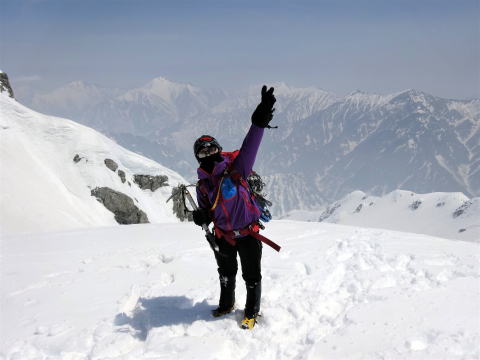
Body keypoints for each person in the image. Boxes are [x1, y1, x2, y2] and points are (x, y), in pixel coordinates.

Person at [191, 85, 276, 330]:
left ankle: (252, 312)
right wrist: (201, 216)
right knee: (226, 274)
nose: (209, 152)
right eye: (203, 150)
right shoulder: (203, 185)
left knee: (251, 276)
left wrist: (258, 122)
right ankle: (226, 305)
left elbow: (250, 146)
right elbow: (206, 211)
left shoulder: (237, 168)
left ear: (219, 149)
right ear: (198, 156)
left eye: (212, 148)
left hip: (248, 233)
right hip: (224, 236)